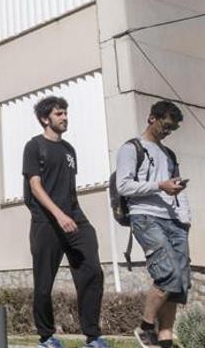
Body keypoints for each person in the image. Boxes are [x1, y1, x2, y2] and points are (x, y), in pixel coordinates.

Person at [22, 96, 109, 348]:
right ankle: (47, 337)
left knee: (92, 270)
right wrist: (58, 215)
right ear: (44, 119)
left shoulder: (69, 150)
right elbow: (35, 186)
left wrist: (71, 214)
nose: (65, 117)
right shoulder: (34, 146)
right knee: (43, 284)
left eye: (65, 113)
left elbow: (67, 187)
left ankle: (93, 337)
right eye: (59, 114)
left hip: (74, 217)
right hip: (46, 221)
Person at [115, 101, 187, 348]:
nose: (168, 132)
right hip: (145, 216)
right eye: (166, 126)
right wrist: (160, 186)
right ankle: (146, 327)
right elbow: (123, 187)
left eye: (172, 129)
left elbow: (175, 188)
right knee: (167, 273)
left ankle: (164, 339)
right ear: (151, 118)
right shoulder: (131, 148)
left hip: (174, 221)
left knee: (178, 285)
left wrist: (185, 218)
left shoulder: (169, 154)